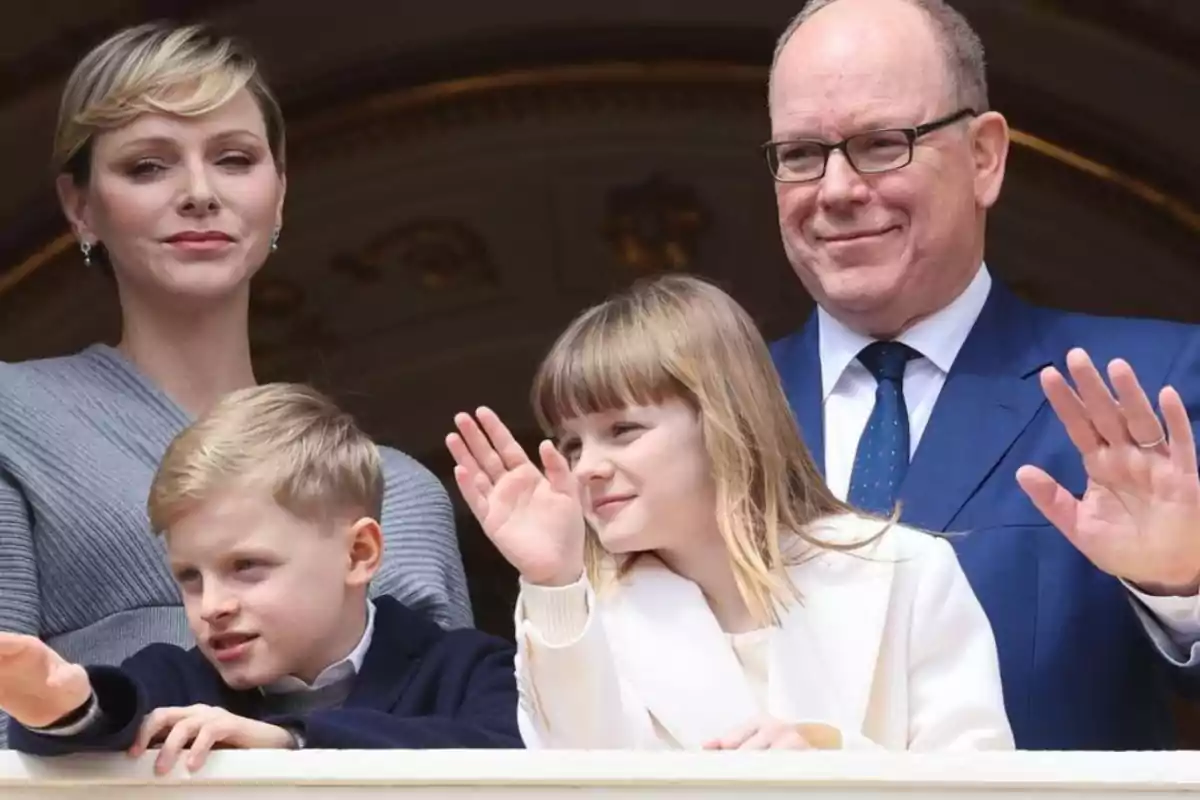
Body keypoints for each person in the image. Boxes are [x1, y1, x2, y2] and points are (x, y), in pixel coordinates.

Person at [0, 22, 471, 746]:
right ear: (80, 206)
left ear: (278, 193)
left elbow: (458, 755)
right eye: (148, 166)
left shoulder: (396, 490)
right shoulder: (14, 417)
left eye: (233, 158)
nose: (198, 193)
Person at [765, 0, 1200, 750]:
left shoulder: (1150, 391)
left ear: (985, 157)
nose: (834, 190)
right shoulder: (704, 415)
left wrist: (1179, 588)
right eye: (802, 153)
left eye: (880, 143)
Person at [446, 275, 1013, 751]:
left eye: (622, 430)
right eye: (572, 445)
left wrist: (833, 761)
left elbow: (983, 784)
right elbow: (582, 772)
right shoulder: (577, 613)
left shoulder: (909, 570)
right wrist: (554, 582)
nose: (587, 467)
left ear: (725, 419)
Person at [0, 383, 520, 773]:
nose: (212, 606)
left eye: (246, 567)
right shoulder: (174, 679)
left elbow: (508, 752)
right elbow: (102, 726)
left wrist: (291, 741)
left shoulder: (469, 669)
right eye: (190, 577)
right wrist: (65, 708)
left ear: (359, 553)